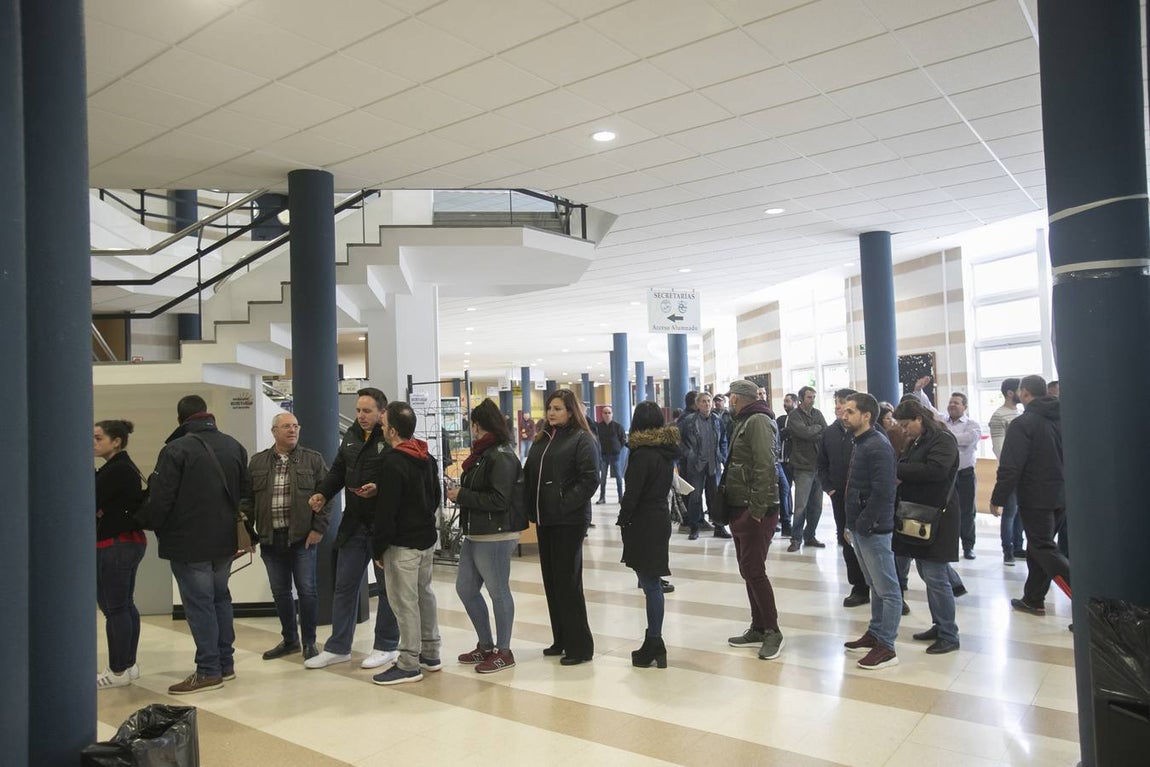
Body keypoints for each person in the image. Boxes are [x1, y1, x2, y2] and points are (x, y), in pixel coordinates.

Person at [139, 395, 251, 695]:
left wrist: (149, 523)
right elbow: (246, 492)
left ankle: (208, 670)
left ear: (182, 419)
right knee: (220, 598)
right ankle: (225, 664)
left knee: (199, 604)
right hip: (225, 540)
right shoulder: (233, 445)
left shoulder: (176, 449)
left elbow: (161, 500)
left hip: (189, 543)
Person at [305, 387, 401, 671]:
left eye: (367, 411)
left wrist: (379, 489)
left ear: (382, 413)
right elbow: (337, 471)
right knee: (344, 585)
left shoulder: (391, 439)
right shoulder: (351, 437)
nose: (360, 415)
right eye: (358, 410)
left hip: (383, 526)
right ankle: (338, 647)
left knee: (388, 590)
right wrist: (323, 493)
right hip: (354, 524)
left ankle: (386, 646)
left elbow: (402, 478)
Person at [240, 412, 330, 662]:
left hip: (303, 538)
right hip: (270, 538)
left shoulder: (313, 460)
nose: (292, 430)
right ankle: (290, 640)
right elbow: (247, 501)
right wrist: (247, 534)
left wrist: (319, 528)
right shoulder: (257, 462)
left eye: (295, 426)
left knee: (307, 591)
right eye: (286, 427)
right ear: (274, 431)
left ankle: (309, 642)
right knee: (280, 592)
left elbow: (327, 495)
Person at [524, 389, 600, 665]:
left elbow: (590, 479)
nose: (551, 413)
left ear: (571, 411)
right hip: (546, 520)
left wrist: (564, 503)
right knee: (552, 582)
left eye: (557, 408)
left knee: (568, 584)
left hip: (568, 520)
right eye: (549, 408)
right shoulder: (543, 439)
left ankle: (580, 647)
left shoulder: (582, 439)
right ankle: (562, 638)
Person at [447, 399, 522, 674]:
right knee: (465, 589)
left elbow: (500, 500)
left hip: (496, 534)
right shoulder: (483, 453)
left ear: (478, 425)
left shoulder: (500, 455)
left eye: (472, 424)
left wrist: (462, 495)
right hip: (476, 532)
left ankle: (504, 651)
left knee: (498, 591)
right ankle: (486, 645)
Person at [370, 401, 442, 685]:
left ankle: (409, 662)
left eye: (384, 423)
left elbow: (387, 511)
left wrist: (378, 548)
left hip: (402, 545)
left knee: (404, 602)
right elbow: (434, 497)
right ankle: (431, 652)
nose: (381, 426)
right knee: (424, 595)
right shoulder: (426, 456)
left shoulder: (392, 461)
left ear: (392, 431)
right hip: (425, 540)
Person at [990, 375, 1069, 617]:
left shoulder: (1023, 424)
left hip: (1037, 498)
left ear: (1024, 393)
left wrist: (998, 497)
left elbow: (1011, 466)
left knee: (1043, 547)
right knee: (1038, 549)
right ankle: (1033, 598)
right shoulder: (1063, 418)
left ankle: (1087, 601)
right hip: (1062, 496)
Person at [891, 398, 962, 655]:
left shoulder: (943, 439)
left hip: (939, 517)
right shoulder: (919, 440)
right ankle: (939, 624)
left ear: (920, 420)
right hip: (919, 514)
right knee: (927, 573)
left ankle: (948, 634)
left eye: (906, 424)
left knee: (936, 577)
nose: (903, 429)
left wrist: (900, 469)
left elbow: (936, 471)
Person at [722, 379, 785, 661]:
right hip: (740, 506)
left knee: (754, 570)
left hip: (755, 509)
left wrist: (758, 510)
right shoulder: (745, 420)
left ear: (738, 398)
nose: (729, 402)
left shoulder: (758, 421)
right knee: (748, 569)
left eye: (731, 397)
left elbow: (765, 465)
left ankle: (772, 630)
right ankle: (758, 626)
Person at [840, 393, 901, 670]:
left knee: (887, 589)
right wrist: (850, 524)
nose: (844, 415)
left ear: (866, 416)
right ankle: (875, 633)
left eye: (850, 411)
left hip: (874, 528)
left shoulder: (877, 445)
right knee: (875, 585)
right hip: (860, 525)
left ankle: (887, 646)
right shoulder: (861, 442)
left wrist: (864, 522)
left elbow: (883, 491)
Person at [618, 402, 679, 669]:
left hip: (644, 520)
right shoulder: (666, 452)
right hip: (659, 516)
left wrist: (623, 520)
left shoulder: (642, 454)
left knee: (650, 584)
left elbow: (632, 493)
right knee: (652, 581)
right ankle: (653, 641)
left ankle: (655, 641)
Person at [94, 419, 147, 689]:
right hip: (127, 543)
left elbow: (88, 498)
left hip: (115, 545)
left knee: (115, 608)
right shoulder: (121, 467)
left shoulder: (117, 470)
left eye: (98, 437)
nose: (93, 442)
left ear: (116, 441)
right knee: (124, 605)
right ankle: (127, 665)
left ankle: (117, 670)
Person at [913, 380, 982, 559]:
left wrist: (943, 436)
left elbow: (967, 439)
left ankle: (968, 546)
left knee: (967, 512)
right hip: (946, 477)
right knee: (945, 511)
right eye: (950, 402)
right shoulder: (942, 420)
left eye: (956, 403)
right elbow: (929, 408)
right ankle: (948, 544)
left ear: (964, 406)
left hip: (965, 474)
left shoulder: (972, 425)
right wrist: (919, 390)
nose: (952, 405)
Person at [816, 388, 870, 608]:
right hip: (840, 496)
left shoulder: (870, 434)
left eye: (844, 404)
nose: (839, 408)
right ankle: (858, 586)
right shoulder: (829, 432)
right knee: (847, 541)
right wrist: (829, 488)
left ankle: (887, 589)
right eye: (837, 403)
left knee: (872, 543)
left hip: (866, 498)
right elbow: (821, 465)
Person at [678, 391, 730, 540]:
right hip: (696, 465)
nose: (707, 404)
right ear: (697, 404)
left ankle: (719, 527)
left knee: (715, 497)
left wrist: (723, 456)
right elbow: (679, 440)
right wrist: (689, 453)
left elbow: (723, 440)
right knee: (695, 497)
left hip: (713, 464)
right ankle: (694, 527)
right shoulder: (689, 421)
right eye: (703, 401)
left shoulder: (717, 420)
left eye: (709, 401)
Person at [785, 386, 828, 551]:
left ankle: (810, 535)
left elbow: (825, 429)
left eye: (814, 397)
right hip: (803, 466)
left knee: (816, 505)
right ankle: (796, 538)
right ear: (802, 399)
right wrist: (816, 430)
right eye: (809, 397)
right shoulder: (794, 415)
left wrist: (814, 431)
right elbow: (803, 433)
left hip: (818, 466)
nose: (812, 400)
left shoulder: (817, 413)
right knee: (801, 505)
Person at [988, 378, 1026, 565]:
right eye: (1020, 390)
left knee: (1021, 511)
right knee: (1010, 511)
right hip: (1010, 471)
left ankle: (1019, 546)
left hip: (1025, 473)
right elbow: (999, 448)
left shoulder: (1019, 413)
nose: (1022, 393)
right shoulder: (998, 416)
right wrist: (1013, 466)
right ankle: (1008, 550)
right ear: (1010, 393)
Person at [593, 405, 625, 505]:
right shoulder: (599, 427)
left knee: (619, 478)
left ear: (612, 414)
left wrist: (618, 448)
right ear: (602, 414)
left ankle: (620, 497)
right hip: (604, 456)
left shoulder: (617, 426)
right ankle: (602, 497)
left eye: (609, 413)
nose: (607, 415)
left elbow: (623, 439)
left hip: (615, 455)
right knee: (603, 479)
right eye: (605, 413)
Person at [776, 393, 798, 536]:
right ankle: (786, 522)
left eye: (788, 401)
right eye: (784, 401)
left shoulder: (798, 418)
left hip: (795, 461)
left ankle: (794, 523)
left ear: (795, 403)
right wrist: (786, 432)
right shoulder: (780, 419)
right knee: (784, 490)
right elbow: (778, 436)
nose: (785, 404)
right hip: (781, 461)